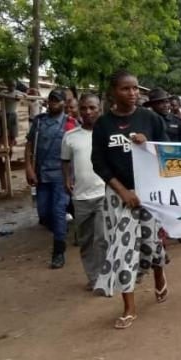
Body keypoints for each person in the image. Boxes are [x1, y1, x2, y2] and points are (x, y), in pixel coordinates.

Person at [91, 70, 170, 328]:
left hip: (148, 193)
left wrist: (148, 144)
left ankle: (159, 275)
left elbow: (167, 152)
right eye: (126, 89)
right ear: (114, 91)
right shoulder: (103, 125)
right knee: (123, 249)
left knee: (150, 243)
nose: (133, 93)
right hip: (119, 196)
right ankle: (129, 307)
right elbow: (98, 163)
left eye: (136, 88)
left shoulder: (150, 119)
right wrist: (122, 191)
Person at [25, 89, 79, 269]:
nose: (52, 104)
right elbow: (29, 144)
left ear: (64, 103)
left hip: (61, 175)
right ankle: (71, 219)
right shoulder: (39, 122)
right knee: (44, 213)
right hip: (41, 174)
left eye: (56, 101)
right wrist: (29, 168)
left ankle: (58, 252)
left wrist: (74, 176)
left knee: (57, 212)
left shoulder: (71, 123)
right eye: (51, 101)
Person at [61, 94, 107, 291]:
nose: (88, 112)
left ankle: (107, 277)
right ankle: (93, 277)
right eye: (84, 109)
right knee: (86, 240)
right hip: (80, 197)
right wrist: (67, 179)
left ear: (99, 109)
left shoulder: (107, 133)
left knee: (103, 237)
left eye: (92, 108)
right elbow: (64, 161)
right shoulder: (70, 137)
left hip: (104, 194)